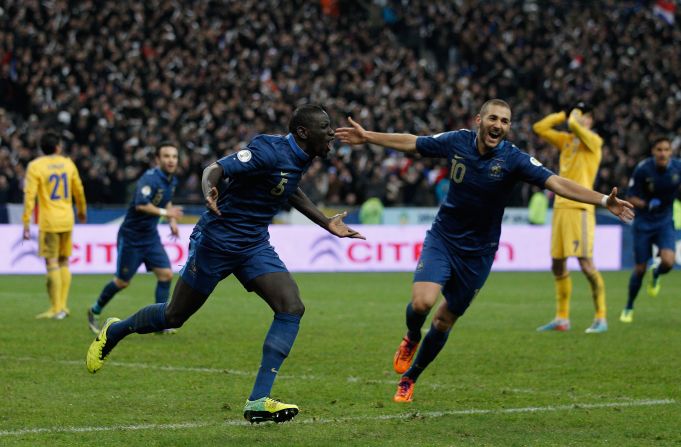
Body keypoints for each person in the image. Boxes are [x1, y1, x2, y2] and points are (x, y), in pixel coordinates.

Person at [335, 98, 634, 403]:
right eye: (494, 118)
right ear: (479, 120)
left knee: (443, 321)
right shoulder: (457, 141)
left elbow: (556, 182)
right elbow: (414, 143)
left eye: (505, 121)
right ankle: (411, 335)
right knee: (423, 304)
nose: (498, 126)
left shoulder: (514, 159)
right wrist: (368, 136)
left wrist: (602, 200)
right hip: (444, 239)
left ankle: (410, 377)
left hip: (479, 253)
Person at [86, 105, 364, 423]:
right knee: (173, 315)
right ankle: (115, 330)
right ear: (303, 132)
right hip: (216, 240)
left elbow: (289, 190)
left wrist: (326, 222)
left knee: (291, 307)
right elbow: (213, 170)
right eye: (325, 126)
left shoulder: (298, 159)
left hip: (254, 245)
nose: (331, 132)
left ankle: (258, 400)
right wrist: (209, 193)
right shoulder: (268, 149)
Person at [87, 143, 183, 334]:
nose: (171, 160)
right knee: (122, 282)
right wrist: (166, 212)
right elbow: (141, 204)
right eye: (166, 156)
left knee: (166, 275)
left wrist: (171, 220)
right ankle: (94, 310)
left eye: (174, 156)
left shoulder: (171, 180)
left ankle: (160, 322)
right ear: (158, 159)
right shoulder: (150, 179)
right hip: (131, 237)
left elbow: (167, 201)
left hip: (150, 236)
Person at [532, 104, 607, 334]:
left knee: (585, 264)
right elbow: (539, 127)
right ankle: (562, 318)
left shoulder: (594, 142)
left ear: (591, 121)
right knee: (557, 262)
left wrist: (575, 114)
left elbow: (575, 124)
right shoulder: (565, 140)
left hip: (581, 209)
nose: (580, 120)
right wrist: (562, 114)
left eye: (586, 117)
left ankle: (601, 317)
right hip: (561, 207)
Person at [22, 131, 87, 319]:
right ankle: (63, 307)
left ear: (41, 148)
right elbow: (79, 190)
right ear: (58, 147)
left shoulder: (35, 166)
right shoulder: (68, 164)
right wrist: (82, 211)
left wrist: (26, 222)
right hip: (67, 219)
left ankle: (56, 308)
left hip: (49, 221)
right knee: (64, 261)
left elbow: (29, 196)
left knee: (51, 262)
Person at [620, 137, 681, 323]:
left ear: (671, 152)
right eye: (659, 149)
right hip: (644, 223)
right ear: (653, 152)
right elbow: (630, 196)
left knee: (669, 262)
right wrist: (646, 204)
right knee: (639, 269)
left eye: (666, 149)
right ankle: (629, 306)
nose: (663, 153)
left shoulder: (677, 168)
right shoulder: (643, 169)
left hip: (664, 222)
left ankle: (656, 274)